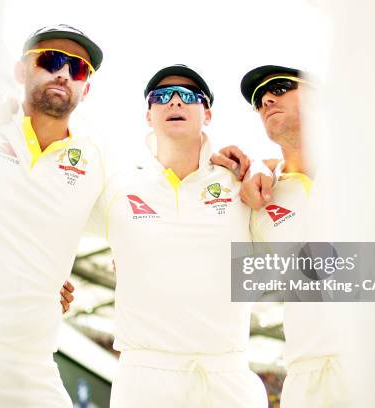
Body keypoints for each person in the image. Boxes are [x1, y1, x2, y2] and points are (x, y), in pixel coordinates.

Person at [84, 64, 268, 407]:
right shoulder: (118, 186)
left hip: (225, 375)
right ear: (148, 115)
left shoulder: (240, 184)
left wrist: (259, 164)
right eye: (162, 97)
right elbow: (50, 221)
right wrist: (52, 280)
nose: (175, 103)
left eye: (187, 96)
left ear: (207, 114)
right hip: (144, 377)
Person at [212, 65, 348, 407]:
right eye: (259, 100)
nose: (267, 99)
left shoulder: (369, 168)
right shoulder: (258, 194)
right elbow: (212, 260)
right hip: (306, 376)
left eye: (281, 86)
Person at [0, 24, 105, 408]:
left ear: (85, 89)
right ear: (21, 71)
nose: (63, 74)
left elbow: (162, 230)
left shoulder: (98, 163)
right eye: (51, 60)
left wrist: (227, 168)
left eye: (78, 69)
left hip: (32, 367)